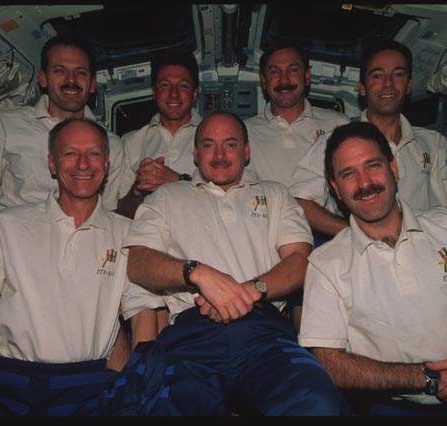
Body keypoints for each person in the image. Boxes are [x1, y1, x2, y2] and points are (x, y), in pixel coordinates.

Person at [93, 111, 350, 416]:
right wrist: (199, 274)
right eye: (208, 145)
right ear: (195, 153)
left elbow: (299, 259)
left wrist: (246, 292)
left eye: (230, 144)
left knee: (319, 404)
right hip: (191, 338)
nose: (219, 155)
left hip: (265, 334)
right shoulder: (165, 197)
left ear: (247, 151)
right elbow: (139, 261)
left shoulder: (275, 194)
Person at [298, 121, 447, 416]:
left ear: (394, 169)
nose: (364, 183)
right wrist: (429, 378)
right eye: (348, 174)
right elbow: (328, 362)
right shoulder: (326, 265)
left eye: (372, 165)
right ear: (336, 189)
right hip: (404, 407)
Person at [0, 119, 161, 417]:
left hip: (89, 385)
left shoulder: (127, 234)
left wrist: (135, 391)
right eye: (70, 153)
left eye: (94, 154)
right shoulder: (4, 226)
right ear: (52, 164)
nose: (83, 164)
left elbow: (143, 315)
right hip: (7, 381)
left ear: (107, 164)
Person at [0, 34, 129, 287]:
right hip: (12, 261)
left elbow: (110, 218)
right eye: (60, 71)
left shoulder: (113, 145)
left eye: (80, 73)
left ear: (92, 83)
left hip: (80, 267)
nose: (71, 81)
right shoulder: (7, 126)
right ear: (43, 78)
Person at [290, 39, 447, 237]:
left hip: (429, 252)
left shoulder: (434, 143)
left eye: (397, 75)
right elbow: (301, 203)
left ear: (408, 86)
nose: (388, 84)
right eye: (378, 76)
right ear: (362, 87)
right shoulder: (334, 144)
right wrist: (358, 233)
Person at [244, 42, 350, 189]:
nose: (284, 80)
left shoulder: (338, 125)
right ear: (263, 81)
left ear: (307, 76)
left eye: (292, 70)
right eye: (274, 72)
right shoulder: (244, 133)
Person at [116, 48, 203, 219]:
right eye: (165, 85)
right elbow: (120, 215)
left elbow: (228, 201)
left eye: (183, 86)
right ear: (154, 92)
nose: (174, 94)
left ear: (194, 94)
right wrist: (136, 190)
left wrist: (179, 181)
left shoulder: (215, 138)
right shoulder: (130, 141)